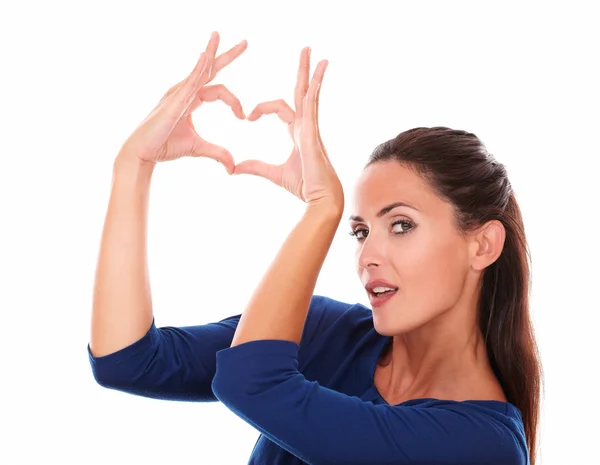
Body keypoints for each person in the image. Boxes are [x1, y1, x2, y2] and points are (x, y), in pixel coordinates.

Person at [88, 31, 542, 465]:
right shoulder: (325, 333)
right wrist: (134, 165)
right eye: (361, 231)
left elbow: (252, 383)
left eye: (401, 225)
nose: (368, 256)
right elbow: (127, 361)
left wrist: (322, 208)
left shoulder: (482, 446)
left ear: (482, 245)